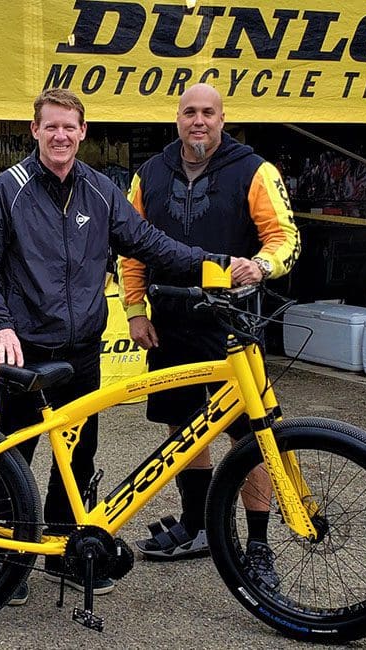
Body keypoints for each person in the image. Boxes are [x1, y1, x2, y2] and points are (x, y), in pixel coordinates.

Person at [0, 88, 262, 607]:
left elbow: (151, 244)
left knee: (78, 458)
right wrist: (0, 326)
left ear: (83, 132)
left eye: (69, 127)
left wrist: (216, 264)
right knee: (17, 448)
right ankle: (7, 553)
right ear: (34, 130)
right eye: (50, 126)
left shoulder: (101, 190)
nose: (60, 136)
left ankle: (61, 552)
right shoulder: (6, 189)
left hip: (81, 350)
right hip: (26, 348)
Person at [122, 83, 299, 582]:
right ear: (176, 119)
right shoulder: (149, 176)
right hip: (170, 322)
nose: (198, 120)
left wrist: (262, 265)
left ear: (223, 119)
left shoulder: (254, 169)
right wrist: (136, 310)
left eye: (208, 112)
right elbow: (131, 249)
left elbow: (285, 237)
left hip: (233, 326)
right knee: (184, 426)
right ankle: (197, 526)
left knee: (252, 435)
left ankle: (258, 545)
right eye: (189, 112)